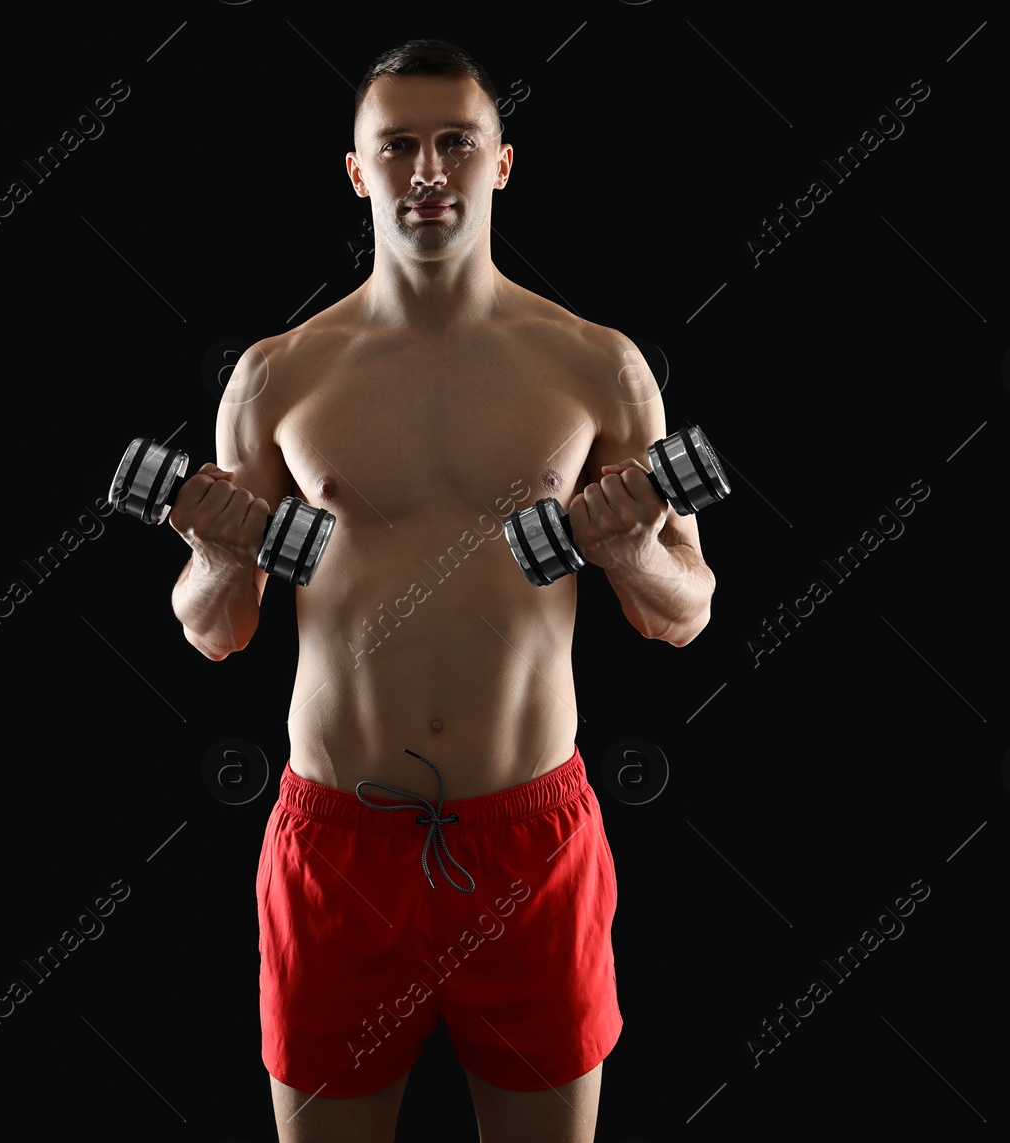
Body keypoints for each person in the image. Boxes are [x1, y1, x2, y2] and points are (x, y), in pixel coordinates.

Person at [169, 38, 716, 1143]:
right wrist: (224, 554)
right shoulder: (278, 376)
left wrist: (625, 552)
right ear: (358, 171)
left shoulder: (595, 366)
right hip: (336, 850)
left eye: (454, 142)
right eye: (399, 146)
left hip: (529, 846)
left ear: (501, 163)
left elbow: (683, 609)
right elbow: (215, 631)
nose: (428, 169)